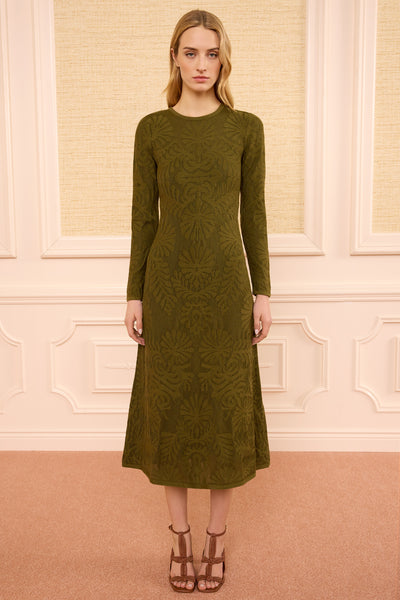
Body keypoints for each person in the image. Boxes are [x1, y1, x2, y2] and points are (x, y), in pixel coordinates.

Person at [122, 9, 272, 593]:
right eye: (191, 53)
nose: (201, 64)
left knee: (223, 414)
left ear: (223, 59)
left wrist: (262, 291)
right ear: (175, 58)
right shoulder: (152, 129)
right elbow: (142, 218)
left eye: (211, 53)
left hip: (227, 287)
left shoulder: (246, 128)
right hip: (167, 289)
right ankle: (179, 537)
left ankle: (216, 538)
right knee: (173, 410)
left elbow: (254, 216)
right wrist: (134, 293)